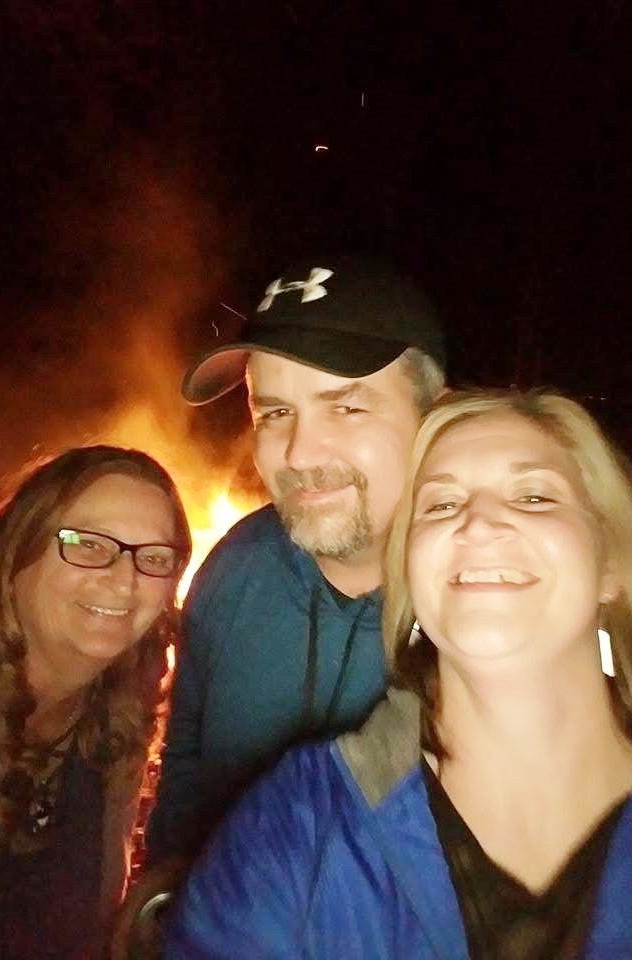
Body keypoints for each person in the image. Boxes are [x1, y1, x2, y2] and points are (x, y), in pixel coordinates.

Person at [165, 389, 632, 959]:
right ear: (410, 576)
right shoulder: (297, 829)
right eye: (441, 504)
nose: (477, 523)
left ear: (612, 562)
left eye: (534, 496)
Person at [145, 254, 447, 861]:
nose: (300, 453)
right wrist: (166, 877)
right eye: (276, 412)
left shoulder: (485, 606)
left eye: (347, 407)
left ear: (435, 418)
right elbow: (187, 761)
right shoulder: (236, 567)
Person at [0, 446, 191, 960]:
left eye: (154, 558)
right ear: (19, 548)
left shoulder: (119, 706)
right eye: (88, 544)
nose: (125, 579)